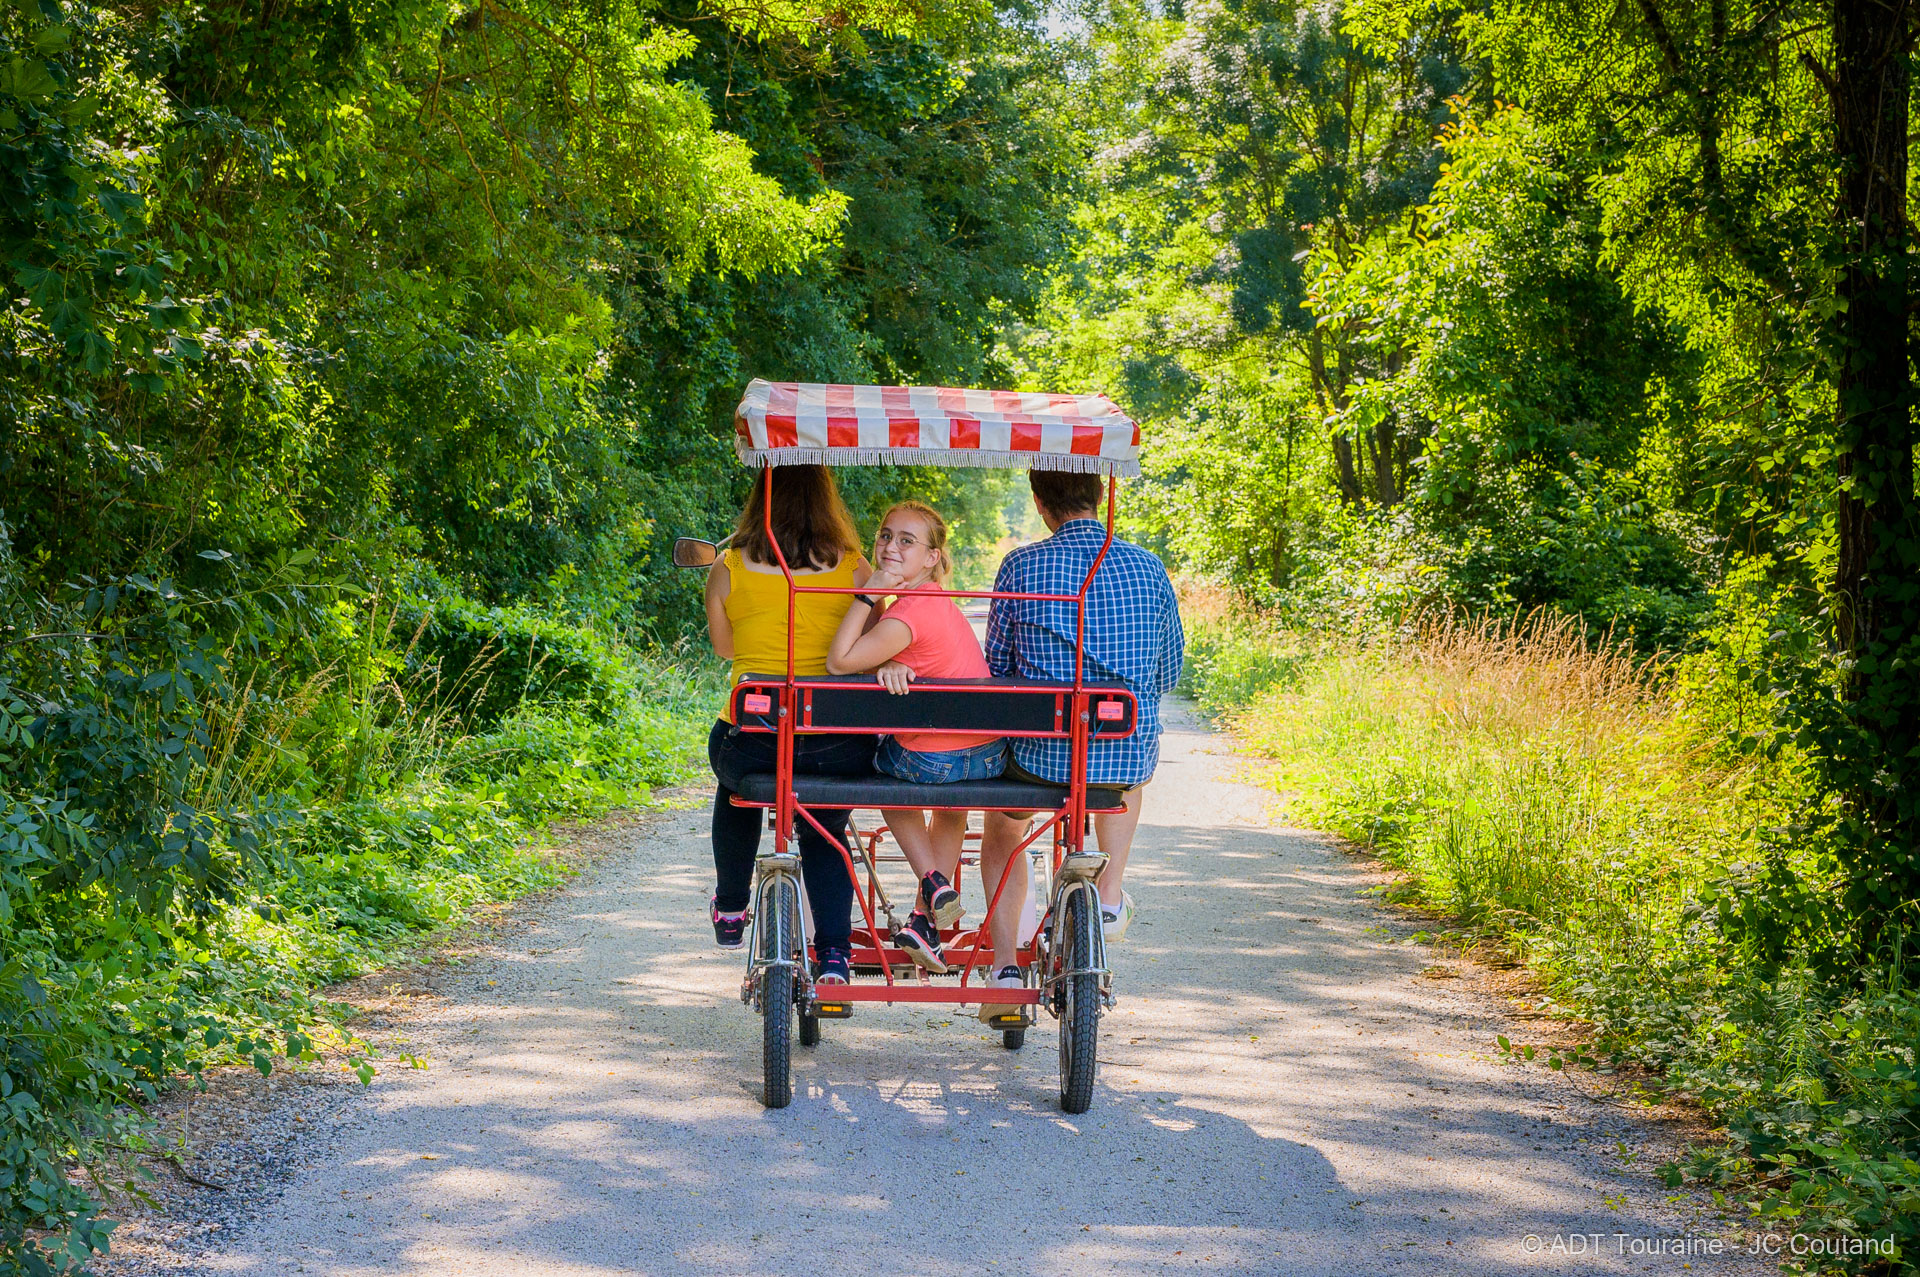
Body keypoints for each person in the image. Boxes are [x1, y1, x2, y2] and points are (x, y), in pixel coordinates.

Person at [973, 468, 1184, 1019]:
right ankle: (1109, 895)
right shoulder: (1149, 566)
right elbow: (1168, 671)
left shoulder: (1021, 565)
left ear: (1040, 503)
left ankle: (1004, 966)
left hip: (1040, 760)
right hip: (1120, 752)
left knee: (1003, 829)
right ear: (1100, 496)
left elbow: (997, 670)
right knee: (1127, 778)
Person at [704, 465, 874, 986]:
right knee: (826, 830)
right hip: (834, 744)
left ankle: (731, 906)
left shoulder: (729, 566)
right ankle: (836, 957)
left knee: (735, 788)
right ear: (827, 501)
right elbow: (870, 650)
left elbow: (725, 648)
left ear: (761, 499)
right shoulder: (856, 569)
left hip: (755, 741)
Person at [825, 501, 1005, 975]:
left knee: (883, 773)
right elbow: (903, 649)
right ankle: (926, 920)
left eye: (907, 541)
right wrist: (888, 661)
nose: (890, 546)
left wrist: (867, 595)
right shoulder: (937, 601)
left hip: (937, 762)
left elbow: (839, 662)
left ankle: (932, 878)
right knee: (949, 805)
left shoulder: (907, 615)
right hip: (985, 756)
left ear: (931, 557)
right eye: (885, 535)